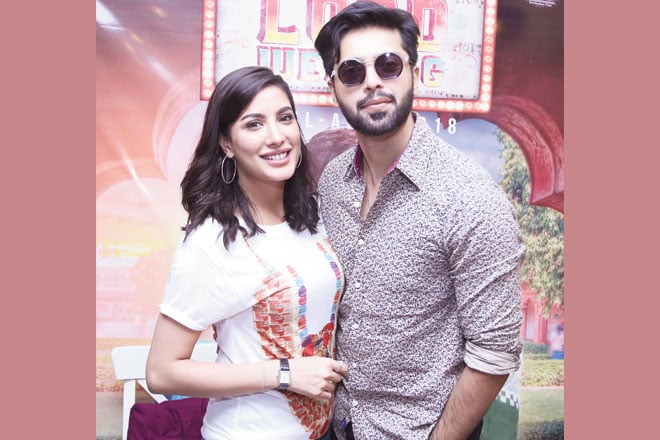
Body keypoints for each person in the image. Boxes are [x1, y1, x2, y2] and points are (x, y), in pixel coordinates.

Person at [313, 3, 526, 439]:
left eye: (388, 65)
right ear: (333, 87)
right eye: (352, 72)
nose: (372, 81)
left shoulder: (468, 197)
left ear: (414, 72)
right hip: (339, 424)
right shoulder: (333, 181)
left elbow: (496, 351)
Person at [145, 66, 348, 440]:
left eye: (285, 118)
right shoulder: (213, 240)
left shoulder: (313, 216)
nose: (277, 137)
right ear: (226, 143)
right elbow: (161, 372)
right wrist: (283, 373)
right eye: (253, 124)